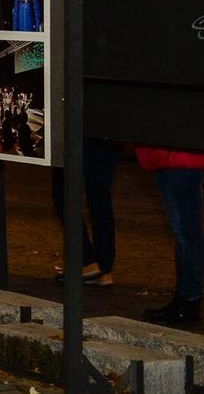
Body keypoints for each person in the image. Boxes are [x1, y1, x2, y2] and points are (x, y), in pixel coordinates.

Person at [135, 143, 204, 326]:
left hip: (178, 157)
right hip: (169, 156)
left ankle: (189, 300)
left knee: (186, 233)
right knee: (184, 233)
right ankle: (184, 298)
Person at [51, 137, 121, 286]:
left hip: (82, 136)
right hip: (110, 136)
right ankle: (103, 267)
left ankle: (86, 261)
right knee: (100, 197)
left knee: (63, 193)